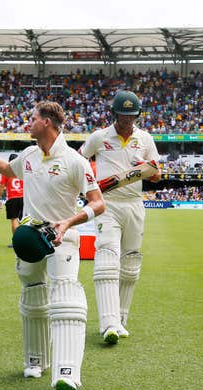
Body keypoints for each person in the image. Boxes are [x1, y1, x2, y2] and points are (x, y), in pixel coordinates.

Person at [0, 101, 105, 390]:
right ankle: (35, 360)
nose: (28, 122)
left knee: (66, 300)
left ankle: (67, 373)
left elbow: (98, 203)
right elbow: (5, 168)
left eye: (32, 118)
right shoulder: (29, 154)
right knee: (32, 297)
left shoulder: (74, 160)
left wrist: (68, 223)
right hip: (30, 236)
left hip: (60, 237)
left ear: (48, 123)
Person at [79, 90, 161, 344]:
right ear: (114, 114)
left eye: (132, 116)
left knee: (130, 266)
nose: (128, 122)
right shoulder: (99, 137)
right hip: (108, 204)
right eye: (123, 116)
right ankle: (108, 324)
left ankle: (121, 320)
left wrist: (143, 169)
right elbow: (79, 161)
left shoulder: (145, 139)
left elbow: (157, 175)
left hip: (135, 205)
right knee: (107, 258)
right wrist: (89, 185)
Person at [0, 153, 24, 247]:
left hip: (12, 197)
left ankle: (16, 242)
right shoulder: (22, 170)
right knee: (24, 220)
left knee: (14, 220)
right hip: (23, 197)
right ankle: (25, 241)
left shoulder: (6, 171)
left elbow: (2, 186)